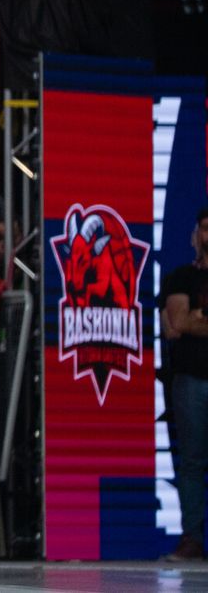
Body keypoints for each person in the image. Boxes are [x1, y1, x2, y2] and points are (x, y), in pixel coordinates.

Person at [162, 207, 208, 562]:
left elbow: (189, 322)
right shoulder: (179, 278)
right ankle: (192, 538)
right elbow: (177, 323)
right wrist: (189, 319)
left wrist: (198, 319)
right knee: (192, 462)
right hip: (191, 380)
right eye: (205, 229)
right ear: (195, 235)